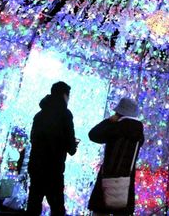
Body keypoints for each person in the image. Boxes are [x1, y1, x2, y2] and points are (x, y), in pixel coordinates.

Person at [26, 81, 78, 215]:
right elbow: (71, 147)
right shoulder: (65, 115)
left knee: (33, 206)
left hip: (36, 167)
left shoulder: (39, 115)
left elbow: (34, 139)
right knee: (57, 208)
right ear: (65, 95)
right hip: (53, 169)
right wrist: (73, 145)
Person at [88, 97, 144, 216]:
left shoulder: (115, 127)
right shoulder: (139, 133)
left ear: (119, 112)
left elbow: (93, 135)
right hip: (126, 182)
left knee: (101, 211)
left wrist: (108, 121)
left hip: (108, 178)